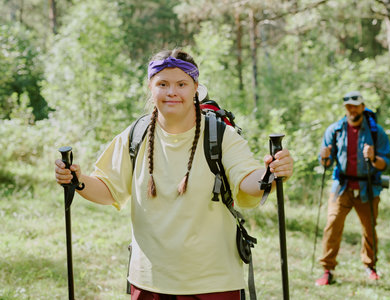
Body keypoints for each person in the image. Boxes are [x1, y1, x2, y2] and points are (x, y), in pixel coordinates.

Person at [54, 49, 294, 299]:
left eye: (181, 84)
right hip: (150, 280)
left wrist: (271, 173)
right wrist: (76, 181)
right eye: (163, 84)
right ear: (150, 87)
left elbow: (247, 181)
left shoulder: (220, 136)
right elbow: (108, 189)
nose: (172, 92)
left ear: (195, 88)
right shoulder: (135, 135)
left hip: (213, 281)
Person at [315, 91, 390, 286]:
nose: (351, 109)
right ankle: (327, 269)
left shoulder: (376, 132)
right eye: (348, 105)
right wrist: (324, 157)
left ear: (362, 106)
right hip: (342, 187)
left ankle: (370, 266)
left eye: (355, 105)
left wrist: (373, 158)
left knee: (369, 229)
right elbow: (326, 163)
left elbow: (386, 163)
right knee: (332, 225)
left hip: (368, 188)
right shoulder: (335, 130)